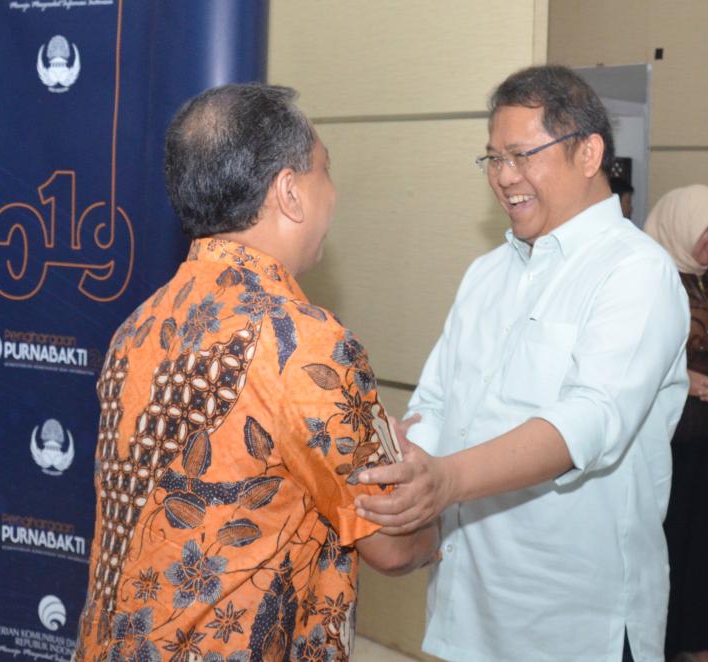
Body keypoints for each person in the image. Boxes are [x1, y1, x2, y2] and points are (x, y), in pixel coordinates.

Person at [72, 83, 438, 662]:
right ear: (289, 192)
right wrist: (426, 496)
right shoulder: (309, 345)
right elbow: (393, 549)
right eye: (325, 172)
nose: (333, 195)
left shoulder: (137, 328)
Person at [356, 65, 690, 661]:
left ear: (589, 153)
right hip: (470, 603)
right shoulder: (486, 273)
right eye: (493, 159)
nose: (505, 177)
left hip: (574, 622)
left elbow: (591, 420)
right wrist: (413, 470)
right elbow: (437, 401)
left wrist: (446, 480)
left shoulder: (636, 271)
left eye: (521, 155)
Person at [644, 185, 708, 661]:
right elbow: (630, 355)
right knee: (662, 556)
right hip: (661, 446)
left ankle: (703, 649)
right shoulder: (647, 278)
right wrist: (691, 384)